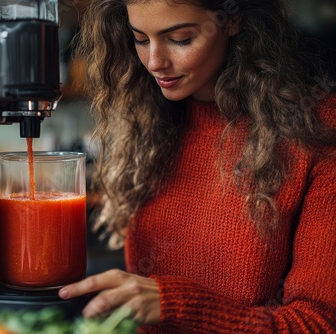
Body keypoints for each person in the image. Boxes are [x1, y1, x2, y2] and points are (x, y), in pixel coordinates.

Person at [58, 0, 336, 332]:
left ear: (232, 20)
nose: (155, 62)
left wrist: (177, 306)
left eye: (181, 39)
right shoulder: (144, 121)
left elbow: (319, 322)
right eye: (141, 39)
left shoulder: (318, 130)